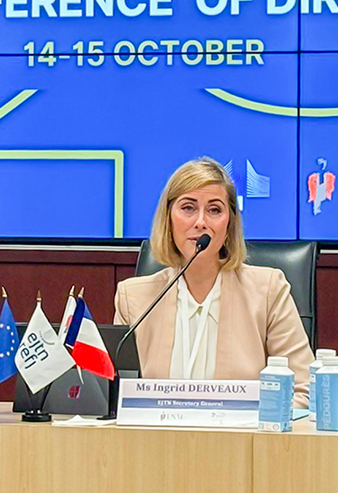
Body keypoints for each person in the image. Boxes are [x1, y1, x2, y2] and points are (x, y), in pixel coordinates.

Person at [114, 157, 314, 407]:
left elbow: (303, 390)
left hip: (243, 432)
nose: (201, 222)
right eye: (188, 208)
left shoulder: (267, 290)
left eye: (214, 210)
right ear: (168, 218)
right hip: (157, 432)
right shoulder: (134, 298)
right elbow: (116, 397)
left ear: (229, 224)